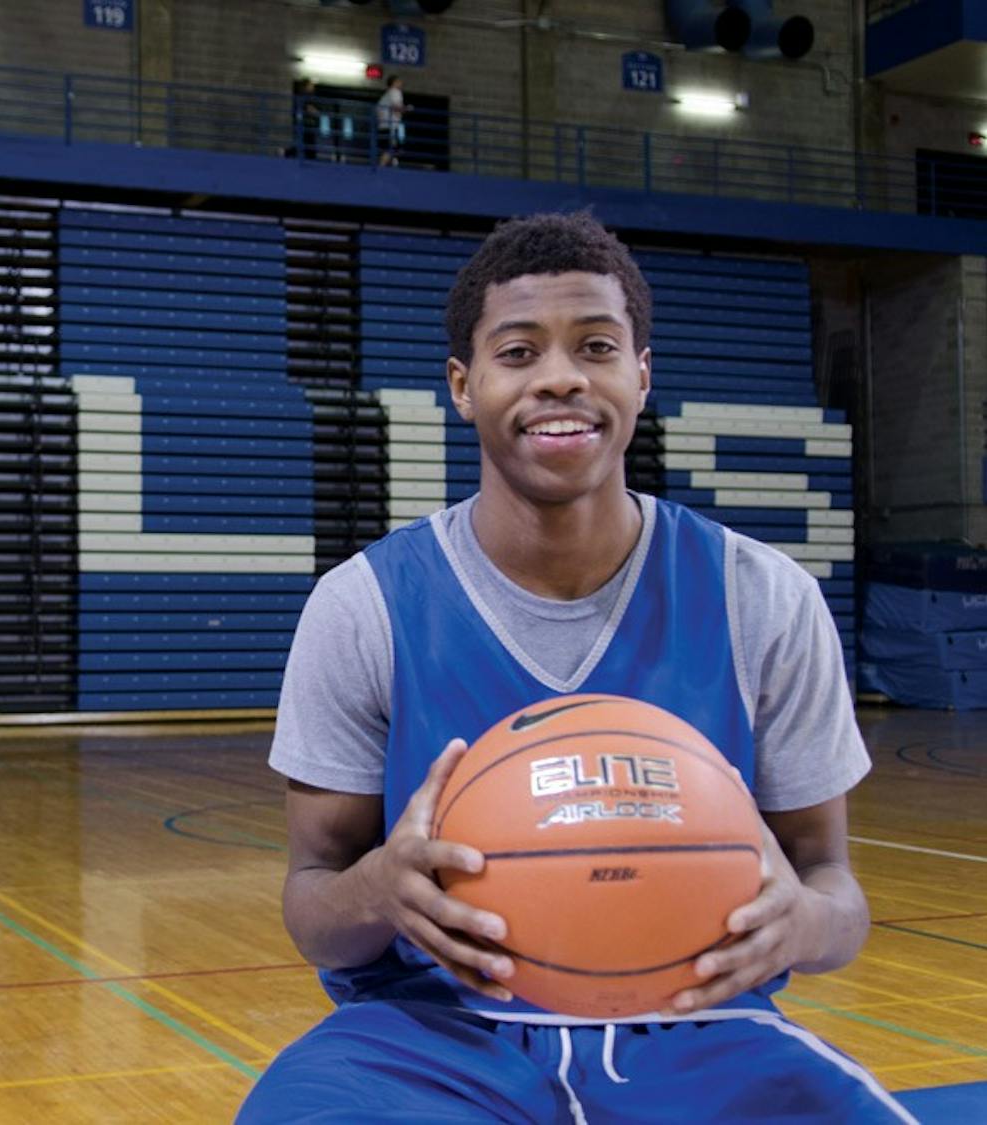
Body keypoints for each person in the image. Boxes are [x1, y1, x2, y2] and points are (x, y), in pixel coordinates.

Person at [236, 211, 914, 1122]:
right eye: (517, 352)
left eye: (596, 346)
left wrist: (806, 922)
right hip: (427, 1035)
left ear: (640, 373)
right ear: (462, 385)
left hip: (703, 1030)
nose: (561, 377)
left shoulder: (762, 595)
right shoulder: (364, 604)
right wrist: (380, 888)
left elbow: (834, 886)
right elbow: (312, 901)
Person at [375, 75, 406, 165]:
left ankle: (385, 166)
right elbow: (397, 107)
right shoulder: (395, 92)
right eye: (399, 81)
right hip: (390, 126)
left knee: (390, 148)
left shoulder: (385, 96)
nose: (401, 83)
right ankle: (381, 168)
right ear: (394, 82)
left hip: (383, 126)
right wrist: (406, 109)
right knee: (391, 148)